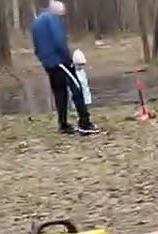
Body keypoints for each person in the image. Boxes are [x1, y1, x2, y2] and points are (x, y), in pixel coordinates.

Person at [31, 1, 99, 135]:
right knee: (77, 88)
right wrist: (68, 58)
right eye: (62, 14)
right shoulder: (52, 19)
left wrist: (43, 59)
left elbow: (36, 46)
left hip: (48, 63)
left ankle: (63, 124)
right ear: (57, 12)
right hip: (59, 61)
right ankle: (84, 122)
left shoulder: (36, 22)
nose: (62, 18)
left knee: (60, 92)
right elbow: (59, 40)